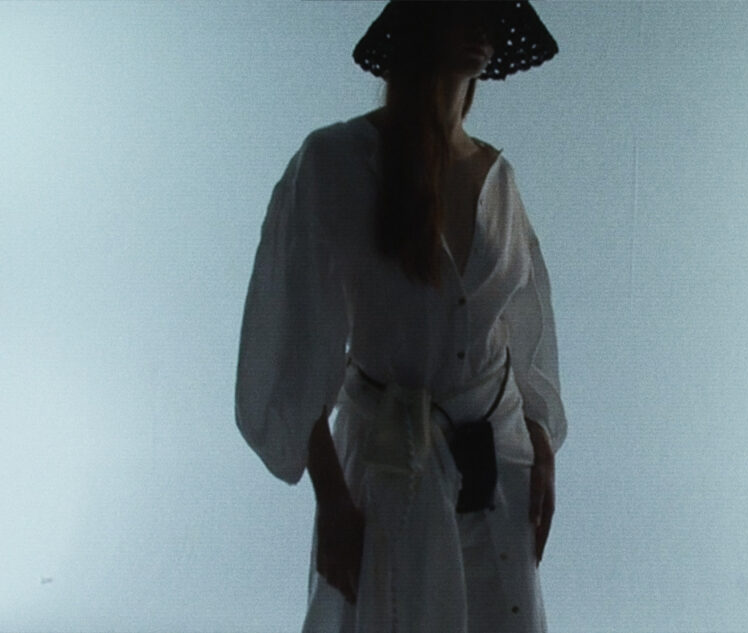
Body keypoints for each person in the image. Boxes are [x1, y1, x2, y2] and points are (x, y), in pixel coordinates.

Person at [234, 2, 566, 631]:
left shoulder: (497, 178)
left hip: (499, 465)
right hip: (390, 464)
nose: (481, 26)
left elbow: (526, 327)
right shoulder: (336, 162)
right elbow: (296, 341)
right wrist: (332, 498)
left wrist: (542, 446)